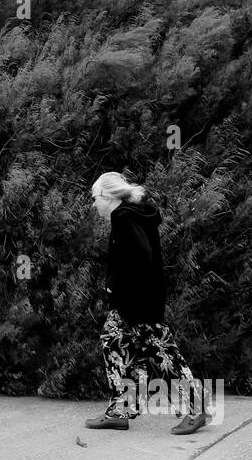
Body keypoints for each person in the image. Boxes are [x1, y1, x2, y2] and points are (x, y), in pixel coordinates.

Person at [84, 172, 208, 435]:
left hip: (138, 302)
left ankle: (196, 409)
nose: (94, 204)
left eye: (95, 198)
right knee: (114, 339)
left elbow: (142, 256)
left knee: (164, 355)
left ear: (108, 196)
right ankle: (121, 410)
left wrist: (117, 284)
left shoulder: (124, 217)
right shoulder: (133, 215)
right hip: (136, 300)